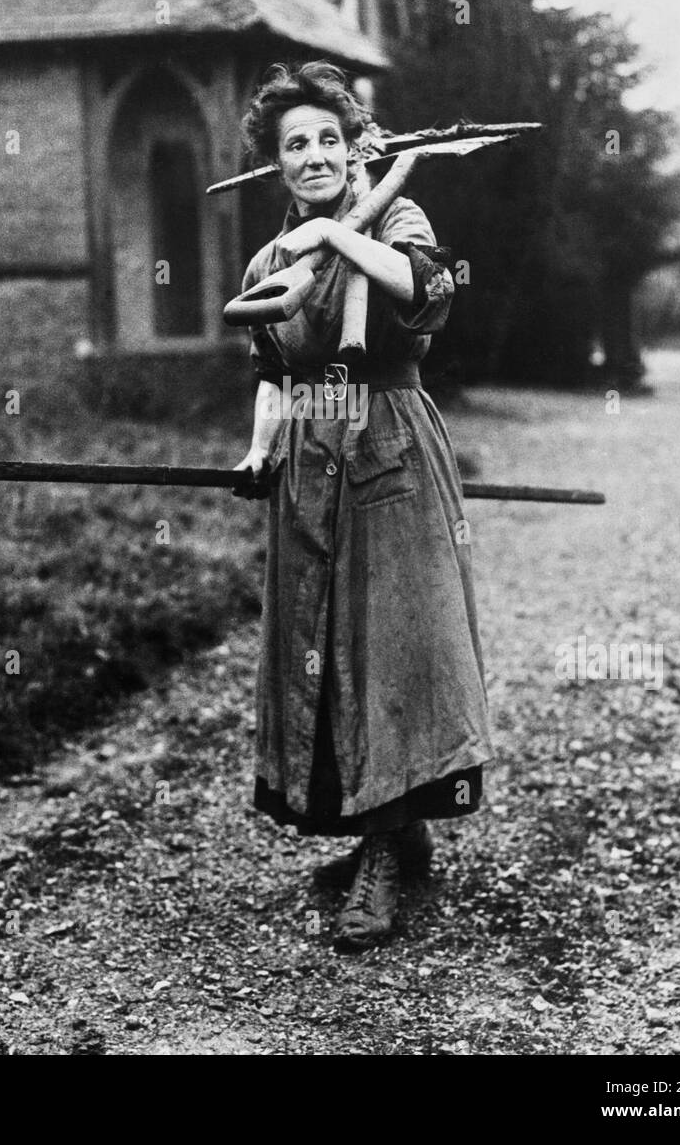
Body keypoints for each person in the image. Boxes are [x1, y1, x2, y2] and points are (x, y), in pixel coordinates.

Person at [233, 61, 494, 952]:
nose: (312, 155)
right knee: (323, 644)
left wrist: (341, 238)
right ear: (277, 164)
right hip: (311, 453)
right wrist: (258, 450)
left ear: (355, 151)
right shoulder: (270, 261)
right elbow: (274, 373)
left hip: (388, 441)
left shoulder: (397, 218)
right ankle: (386, 832)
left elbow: (424, 295)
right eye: (293, 144)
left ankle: (387, 854)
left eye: (327, 140)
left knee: (394, 642)